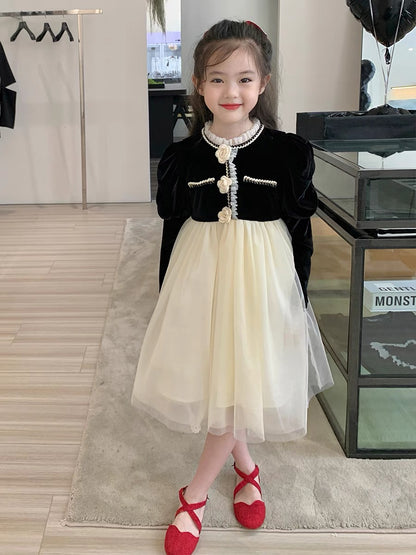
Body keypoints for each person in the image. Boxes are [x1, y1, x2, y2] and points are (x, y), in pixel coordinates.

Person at [131, 19, 333, 555]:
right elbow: (174, 228)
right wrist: (166, 295)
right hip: (201, 276)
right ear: (199, 84)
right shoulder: (181, 158)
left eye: (244, 79)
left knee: (240, 380)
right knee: (225, 380)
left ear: (263, 83)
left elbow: (300, 232)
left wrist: (298, 299)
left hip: (263, 279)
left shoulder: (288, 152)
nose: (231, 92)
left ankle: (194, 496)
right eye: (217, 79)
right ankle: (246, 469)